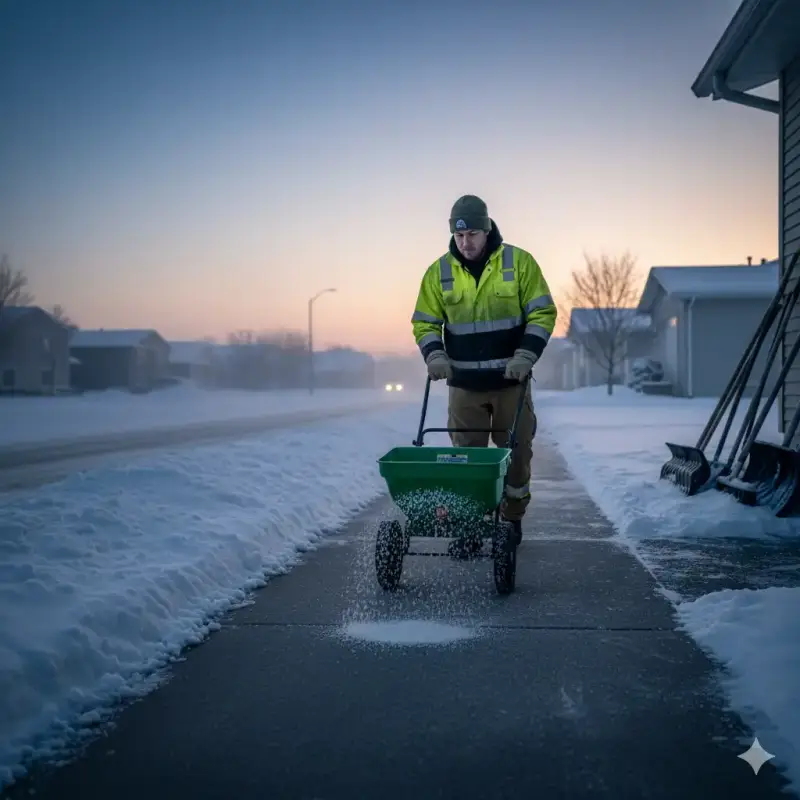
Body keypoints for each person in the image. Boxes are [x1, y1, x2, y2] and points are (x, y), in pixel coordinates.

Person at [411, 194, 557, 555]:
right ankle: (471, 528)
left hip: (511, 384)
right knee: (466, 462)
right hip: (465, 387)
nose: (466, 243)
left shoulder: (519, 263)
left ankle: (511, 521)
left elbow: (542, 313)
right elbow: (425, 322)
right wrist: (435, 354)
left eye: (473, 234)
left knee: (516, 454)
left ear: (487, 228)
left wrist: (526, 354)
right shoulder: (438, 272)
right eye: (460, 236)